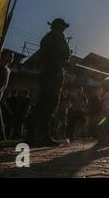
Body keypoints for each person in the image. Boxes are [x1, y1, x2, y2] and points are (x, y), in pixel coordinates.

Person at [26, 18, 71, 146]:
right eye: (63, 27)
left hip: (46, 73)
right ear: (60, 27)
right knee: (50, 103)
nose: (64, 29)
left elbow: (42, 56)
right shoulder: (58, 37)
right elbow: (65, 54)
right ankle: (43, 135)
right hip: (54, 73)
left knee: (41, 103)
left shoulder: (46, 38)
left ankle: (31, 136)